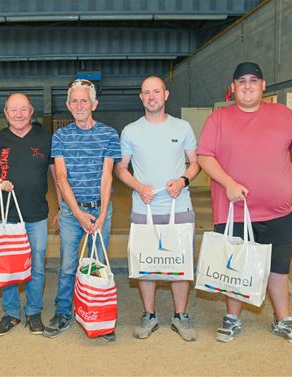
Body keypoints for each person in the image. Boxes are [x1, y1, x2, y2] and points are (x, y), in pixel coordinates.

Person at [197, 62, 292, 347]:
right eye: (241, 81)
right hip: (233, 210)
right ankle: (232, 318)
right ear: (233, 88)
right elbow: (205, 157)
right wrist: (228, 183)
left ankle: (282, 318)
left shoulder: (283, 115)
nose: (247, 85)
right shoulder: (218, 119)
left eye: (253, 80)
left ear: (263, 86)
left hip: (279, 210)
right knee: (234, 266)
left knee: (279, 266)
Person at [115, 76, 200, 341]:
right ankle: (149, 314)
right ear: (141, 98)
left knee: (180, 261)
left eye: (156, 91)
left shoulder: (183, 127)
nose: (151, 96)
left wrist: (183, 180)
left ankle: (180, 315)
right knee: (146, 263)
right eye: (146, 92)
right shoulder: (130, 131)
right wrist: (139, 186)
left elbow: (195, 163)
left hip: (179, 206)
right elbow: (120, 168)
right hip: (145, 208)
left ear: (166, 95)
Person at [43, 79, 121, 342]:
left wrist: (101, 213)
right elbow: (61, 178)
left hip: (100, 211)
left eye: (84, 101)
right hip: (71, 213)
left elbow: (107, 176)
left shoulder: (109, 134)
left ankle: (96, 314)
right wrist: (76, 213)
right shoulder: (61, 136)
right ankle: (63, 313)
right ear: (68, 105)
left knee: (97, 265)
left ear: (94, 104)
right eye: (74, 101)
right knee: (68, 265)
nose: (79, 105)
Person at [0, 92, 60, 336]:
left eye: (23, 109)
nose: (18, 114)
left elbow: (58, 178)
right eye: (13, 110)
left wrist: (61, 207)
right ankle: (12, 313)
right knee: (8, 267)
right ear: (5, 113)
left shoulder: (46, 138)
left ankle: (33, 312)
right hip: (5, 217)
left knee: (35, 266)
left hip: (36, 215)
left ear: (31, 111)